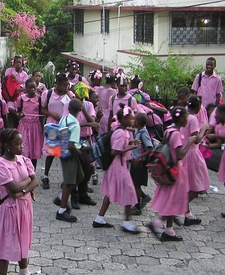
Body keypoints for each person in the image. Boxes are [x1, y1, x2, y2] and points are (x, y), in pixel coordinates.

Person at [0, 129, 40, 275]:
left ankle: (23, 272)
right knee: (6, 240)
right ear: (7, 146)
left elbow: (35, 181)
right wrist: (27, 183)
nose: (21, 146)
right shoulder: (0, 165)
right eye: (18, 144)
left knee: (23, 237)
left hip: (24, 206)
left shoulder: (24, 160)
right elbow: (12, 187)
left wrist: (22, 190)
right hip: (9, 208)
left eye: (22, 143)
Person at [146, 107, 198, 242]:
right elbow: (180, 155)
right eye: (186, 117)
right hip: (175, 170)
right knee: (173, 199)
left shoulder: (168, 130)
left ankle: (169, 230)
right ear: (181, 119)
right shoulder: (176, 134)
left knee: (172, 198)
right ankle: (158, 223)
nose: (187, 119)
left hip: (167, 168)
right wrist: (190, 142)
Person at [93, 105, 141, 234]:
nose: (132, 121)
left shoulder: (123, 131)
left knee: (110, 192)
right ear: (124, 119)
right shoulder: (120, 132)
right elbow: (115, 151)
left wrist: (131, 144)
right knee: (129, 191)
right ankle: (126, 221)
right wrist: (130, 148)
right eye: (130, 119)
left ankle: (100, 218)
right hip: (118, 166)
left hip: (117, 165)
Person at [178, 96, 209, 226]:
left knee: (187, 185)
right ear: (197, 107)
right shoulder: (193, 119)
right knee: (197, 186)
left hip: (183, 153)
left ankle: (188, 214)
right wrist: (204, 129)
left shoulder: (183, 115)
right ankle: (179, 207)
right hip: (192, 154)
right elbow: (196, 139)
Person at [53, 98, 85, 223]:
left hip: (62, 151)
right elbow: (72, 145)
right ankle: (61, 211)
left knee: (80, 176)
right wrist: (80, 154)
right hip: (71, 154)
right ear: (80, 110)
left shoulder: (64, 119)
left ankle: (61, 198)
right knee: (69, 183)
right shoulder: (75, 124)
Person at [40, 73, 73, 189]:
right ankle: (45, 176)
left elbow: (76, 106)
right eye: (64, 86)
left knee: (64, 153)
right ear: (58, 84)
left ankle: (66, 179)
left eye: (67, 85)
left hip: (64, 126)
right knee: (51, 152)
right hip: (52, 126)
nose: (65, 88)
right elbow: (42, 109)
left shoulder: (69, 95)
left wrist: (69, 94)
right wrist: (51, 114)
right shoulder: (48, 94)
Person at [129, 112, 153, 216]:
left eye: (134, 120)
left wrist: (139, 157)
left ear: (137, 122)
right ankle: (144, 197)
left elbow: (150, 148)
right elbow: (132, 130)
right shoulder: (138, 130)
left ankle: (137, 206)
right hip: (134, 161)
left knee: (136, 184)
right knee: (134, 182)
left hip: (140, 163)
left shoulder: (144, 133)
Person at [16, 79, 42, 169]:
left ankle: (32, 171)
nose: (32, 90)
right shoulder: (21, 99)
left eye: (34, 88)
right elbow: (18, 112)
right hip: (24, 127)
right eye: (30, 88)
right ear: (26, 89)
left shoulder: (39, 98)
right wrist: (19, 115)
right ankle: (23, 170)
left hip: (35, 127)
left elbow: (41, 112)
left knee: (34, 151)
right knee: (24, 149)